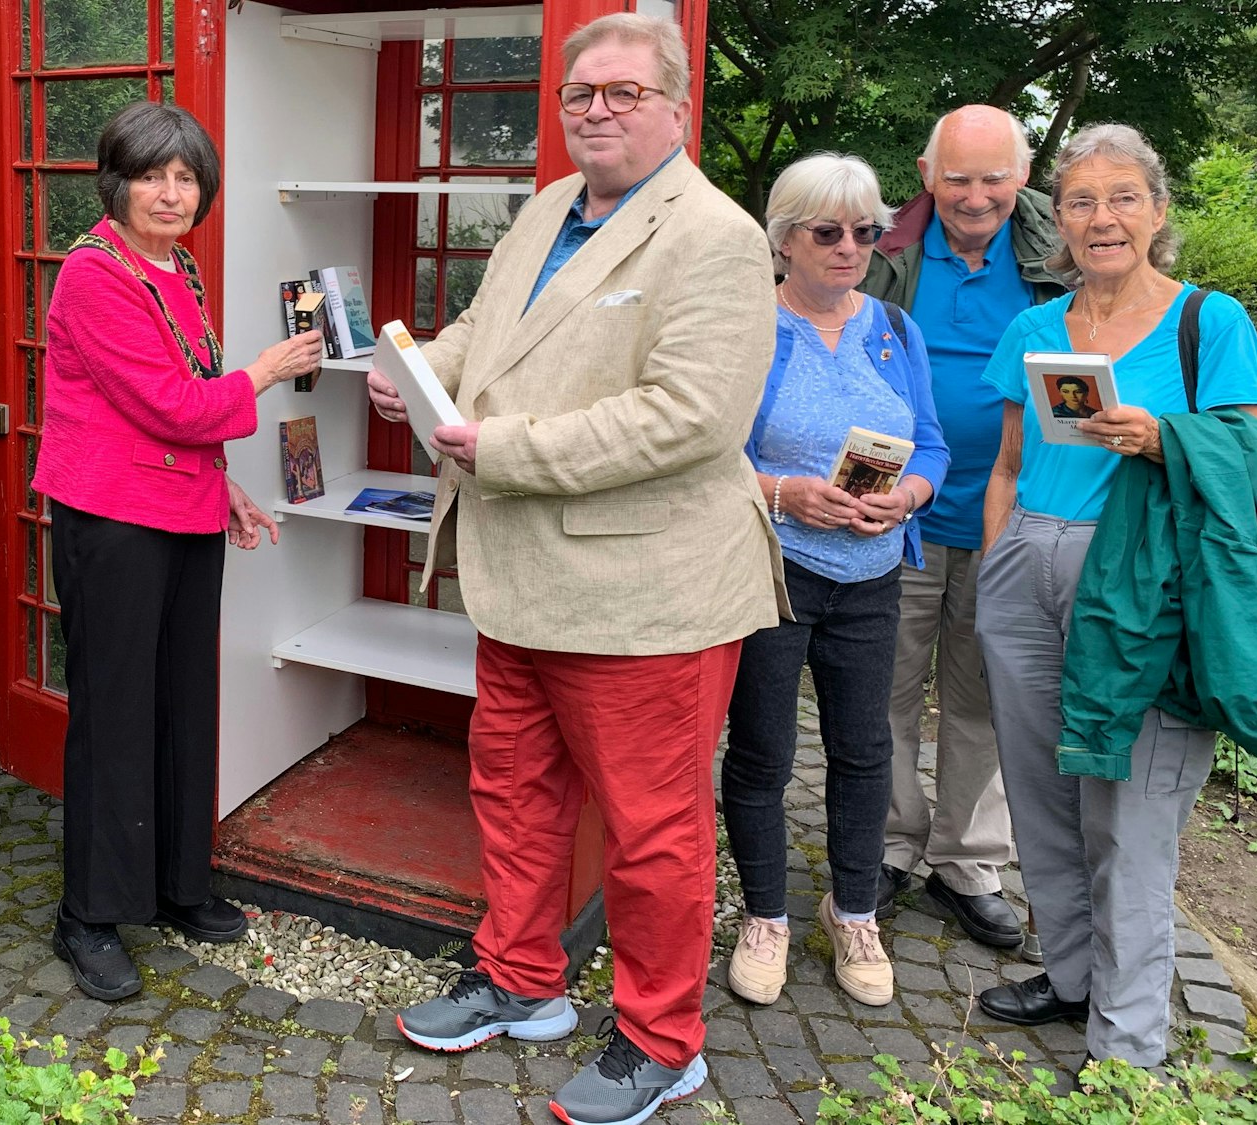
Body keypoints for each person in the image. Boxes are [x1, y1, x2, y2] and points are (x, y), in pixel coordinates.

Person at [369, 14, 785, 1124]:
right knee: (512, 795)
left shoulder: (716, 235)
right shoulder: (549, 206)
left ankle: (662, 1042)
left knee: (651, 836)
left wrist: (493, 448)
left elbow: (689, 419)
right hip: (521, 577)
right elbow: (483, 332)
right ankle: (520, 981)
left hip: (646, 593)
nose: (595, 110)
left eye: (621, 92)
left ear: (675, 106)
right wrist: (415, 369)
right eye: (578, 93)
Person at [972, 123, 1257, 1065]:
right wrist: (995, 564)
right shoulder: (1033, 325)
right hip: (1027, 566)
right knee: (1041, 791)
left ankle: (1130, 1041)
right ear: (1056, 219)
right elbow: (1010, 462)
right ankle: (1071, 977)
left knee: (1129, 808)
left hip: (1142, 579)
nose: (1102, 218)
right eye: (1080, 201)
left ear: (1157, 209)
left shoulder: (1206, 321)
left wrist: (1164, 437)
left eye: (1122, 197)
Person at [32, 101, 324, 1001]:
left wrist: (225, 482)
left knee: (181, 703)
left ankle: (174, 882)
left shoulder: (177, 268)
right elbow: (174, 405)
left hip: (184, 510)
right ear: (116, 183)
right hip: (113, 520)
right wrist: (268, 370)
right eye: (152, 175)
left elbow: (191, 403)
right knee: (116, 713)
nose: (170, 191)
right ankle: (88, 913)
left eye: (186, 176)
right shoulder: (94, 275)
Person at [720, 154, 949, 1012]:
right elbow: (708, 453)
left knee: (864, 750)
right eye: (829, 231)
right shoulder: (748, 326)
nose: (852, 246)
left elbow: (930, 442)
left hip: (872, 572)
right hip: (773, 570)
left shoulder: (894, 327)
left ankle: (853, 910)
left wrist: (910, 496)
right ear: (784, 241)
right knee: (763, 752)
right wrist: (784, 492)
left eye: (866, 230)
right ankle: (766, 914)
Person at [859, 105, 1065, 954]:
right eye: (958, 176)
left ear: (1022, 176)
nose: (975, 196)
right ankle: (893, 842)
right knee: (886, 690)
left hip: (1014, 512)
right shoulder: (885, 245)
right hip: (898, 512)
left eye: (992, 177)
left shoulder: (1064, 250)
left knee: (986, 696)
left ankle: (970, 860)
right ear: (925, 172)